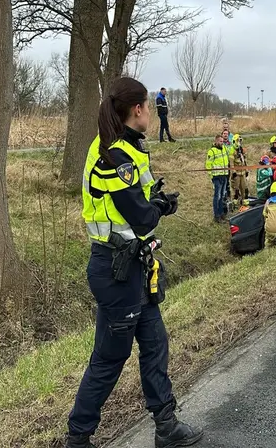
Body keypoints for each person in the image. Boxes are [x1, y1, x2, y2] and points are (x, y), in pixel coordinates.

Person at [67, 77, 201, 448]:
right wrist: (157, 208)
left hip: (133, 265)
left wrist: (157, 202)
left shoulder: (127, 147)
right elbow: (140, 216)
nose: (154, 115)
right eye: (149, 107)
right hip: (114, 269)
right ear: (139, 109)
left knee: (155, 342)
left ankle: (166, 426)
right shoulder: (113, 155)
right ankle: (77, 437)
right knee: (110, 358)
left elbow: (135, 206)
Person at [206, 135, 230, 222]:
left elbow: (229, 156)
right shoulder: (212, 151)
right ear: (216, 141)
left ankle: (222, 213)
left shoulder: (224, 149)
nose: (222, 143)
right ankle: (217, 216)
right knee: (217, 196)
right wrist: (211, 176)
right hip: (217, 177)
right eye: (220, 141)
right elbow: (208, 165)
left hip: (224, 176)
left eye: (222, 141)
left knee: (222, 196)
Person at [230, 134, 248, 205]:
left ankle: (245, 203)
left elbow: (244, 161)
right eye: (237, 141)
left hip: (243, 173)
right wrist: (233, 172)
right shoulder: (232, 151)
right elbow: (231, 163)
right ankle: (235, 204)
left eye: (240, 141)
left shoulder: (242, 150)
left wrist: (246, 170)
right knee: (236, 189)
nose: (239, 143)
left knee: (245, 188)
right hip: (236, 174)